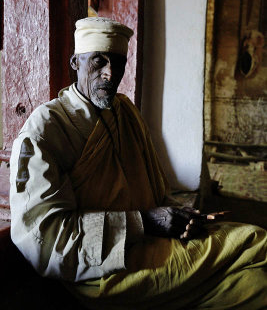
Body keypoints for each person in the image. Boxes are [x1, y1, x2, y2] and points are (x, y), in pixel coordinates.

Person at [10, 17, 267, 310]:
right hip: (104, 270)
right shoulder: (47, 128)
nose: (109, 73)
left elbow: (153, 191)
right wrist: (143, 222)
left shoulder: (125, 112)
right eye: (98, 61)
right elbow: (46, 241)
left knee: (256, 286)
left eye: (118, 63)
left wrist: (178, 217)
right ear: (75, 63)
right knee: (255, 241)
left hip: (152, 244)